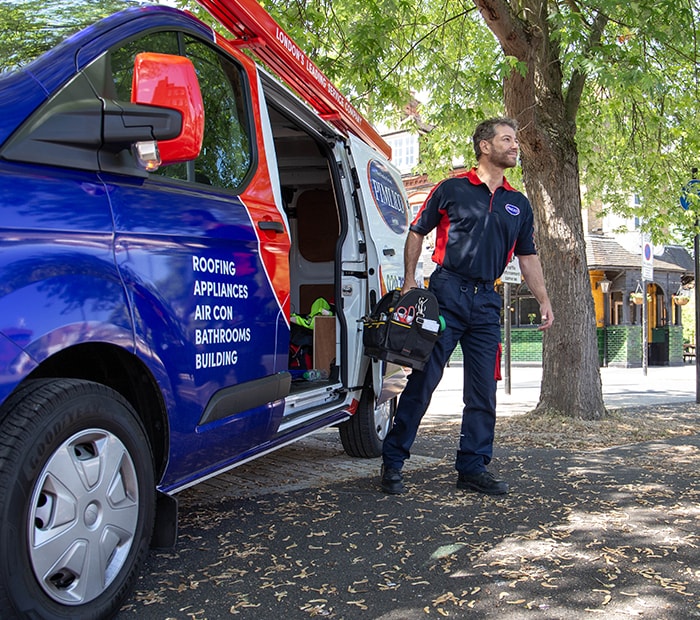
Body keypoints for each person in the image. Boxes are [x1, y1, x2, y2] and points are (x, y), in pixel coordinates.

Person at [381, 117, 553, 496]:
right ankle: (393, 460)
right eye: (507, 139)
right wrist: (410, 280)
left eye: (515, 140)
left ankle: (473, 467)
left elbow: (528, 256)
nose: (515, 146)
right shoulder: (451, 189)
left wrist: (543, 299)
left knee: (482, 390)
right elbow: (417, 230)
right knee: (423, 380)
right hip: (446, 293)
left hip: (487, 302)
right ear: (484, 146)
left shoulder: (517, 204)